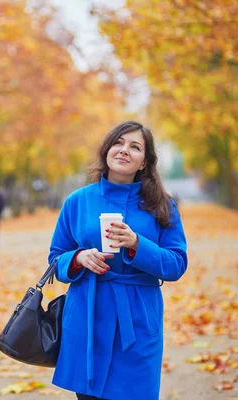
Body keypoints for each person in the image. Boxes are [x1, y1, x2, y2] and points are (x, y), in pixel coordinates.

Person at [48, 121, 188, 400]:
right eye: (118, 143)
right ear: (107, 150)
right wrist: (78, 258)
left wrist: (137, 244)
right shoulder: (78, 201)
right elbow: (55, 259)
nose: (124, 150)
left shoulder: (162, 205)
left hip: (137, 317)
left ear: (143, 163)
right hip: (88, 313)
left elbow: (176, 263)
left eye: (135, 147)